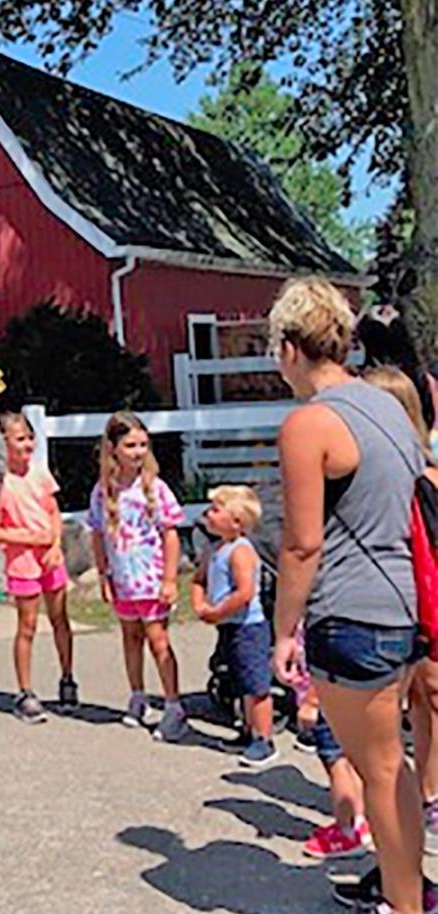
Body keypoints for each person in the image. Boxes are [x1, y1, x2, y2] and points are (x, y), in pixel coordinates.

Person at [269, 278, 428, 914]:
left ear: (288, 347)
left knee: (381, 772)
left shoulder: (310, 424)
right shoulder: (387, 404)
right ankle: (408, 891)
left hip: (349, 613)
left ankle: (406, 901)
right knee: (395, 770)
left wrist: (284, 631)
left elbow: (302, 544)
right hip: (403, 603)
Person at [365, 365, 438, 858]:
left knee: (431, 694)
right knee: (402, 705)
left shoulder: (427, 475)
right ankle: (411, 799)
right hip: (385, 604)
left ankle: (431, 793)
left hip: (427, 602)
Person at [88, 411, 187, 742]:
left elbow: (170, 532)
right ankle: (137, 695)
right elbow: (98, 533)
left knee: (158, 639)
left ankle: (173, 704)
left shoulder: (155, 488)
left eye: (143, 445)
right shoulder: (104, 491)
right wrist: (103, 574)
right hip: (123, 578)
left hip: (151, 577)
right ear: (113, 448)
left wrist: (170, 579)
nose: (138, 452)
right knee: (130, 637)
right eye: (130, 445)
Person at [0, 413, 77, 723]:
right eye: (19, 438)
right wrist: (26, 537)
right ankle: (24, 691)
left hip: (49, 559)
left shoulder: (40, 474)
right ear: (3, 443)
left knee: (60, 618)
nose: (27, 444)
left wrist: (54, 544)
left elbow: (53, 512)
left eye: (29, 437)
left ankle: (67, 678)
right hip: (22, 561)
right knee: (27, 626)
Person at [192, 485, 278, 767]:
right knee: (239, 680)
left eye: (216, 510)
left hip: (248, 627)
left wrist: (217, 611)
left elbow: (244, 592)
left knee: (256, 683)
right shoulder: (213, 548)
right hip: (228, 626)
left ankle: (264, 738)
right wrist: (200, 604)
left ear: (237, 522)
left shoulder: (241, 551)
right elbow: (199, 579)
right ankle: (247, 729)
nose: (209, 514)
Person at [291, 626, 372, 859]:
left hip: (326, 701)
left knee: (335, 763)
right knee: (348, 761)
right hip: (347, 694)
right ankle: (358, 820)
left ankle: (346, 831)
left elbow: (325, 661)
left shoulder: (322, 618)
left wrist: (312, 702)